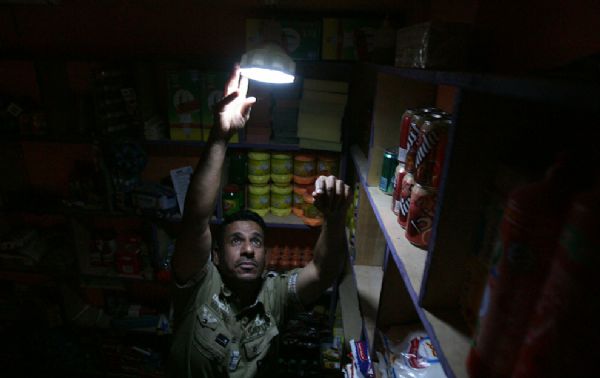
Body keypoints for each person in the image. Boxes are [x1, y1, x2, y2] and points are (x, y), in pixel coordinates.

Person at [168, 64, 352, 378]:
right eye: (236, 241)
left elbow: (323, 271)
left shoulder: (275, 295)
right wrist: (220, 136)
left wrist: (335, 218)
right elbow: (196, 219)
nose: (249, 250)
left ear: (267, 257)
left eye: (256, 242)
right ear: (215, 255)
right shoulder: (199, 285)